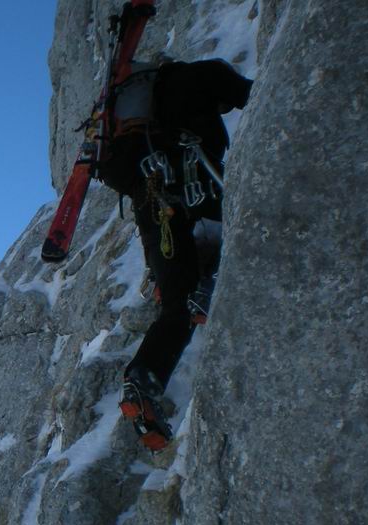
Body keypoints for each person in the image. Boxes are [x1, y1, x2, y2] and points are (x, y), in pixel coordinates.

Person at [95, 56, 254, 451]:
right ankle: (208, 289)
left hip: (152, 201)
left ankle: (144, 381)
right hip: (197, 186)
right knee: (240, 244)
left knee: (176, 306)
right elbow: (259, 95)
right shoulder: (204, 75)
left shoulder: (134, 124)